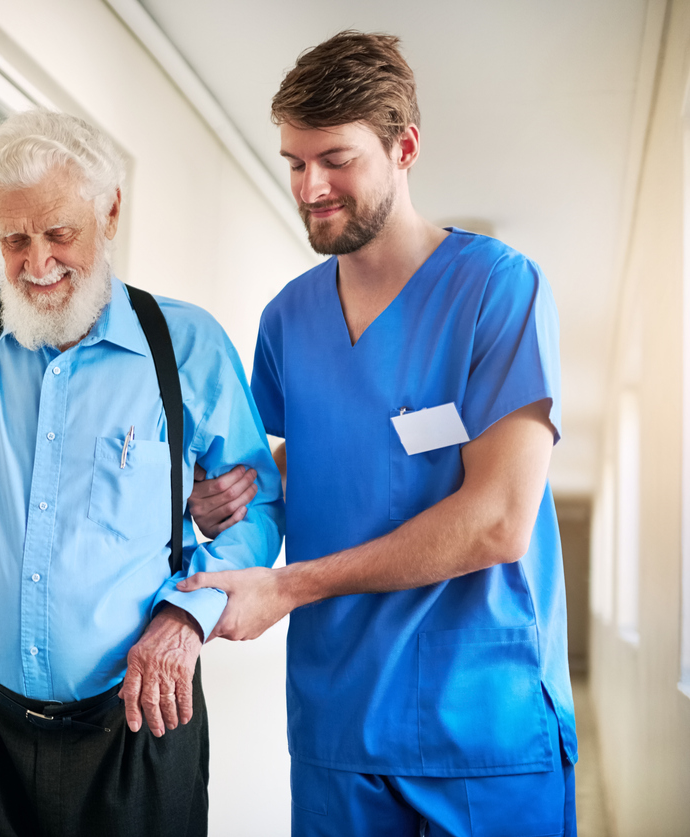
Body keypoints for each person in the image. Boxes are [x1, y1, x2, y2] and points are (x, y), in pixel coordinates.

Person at [183, 31, 578, 836]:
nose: (311, 187)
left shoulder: (497, 290)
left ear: (405, 148)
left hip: (482, 722)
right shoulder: (289, 319)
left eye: (336, 159)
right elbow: (318, 454)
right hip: (337, 720)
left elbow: (500, 520)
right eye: (295, 162)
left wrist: (286, 587)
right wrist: (218, 498)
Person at [0, 108, 283, 836]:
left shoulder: (187, 344)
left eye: (59, 233)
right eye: (14, 239)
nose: (37, 263)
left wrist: (186, 615)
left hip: (138, 721)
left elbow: (257, 509)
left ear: (110, 213)